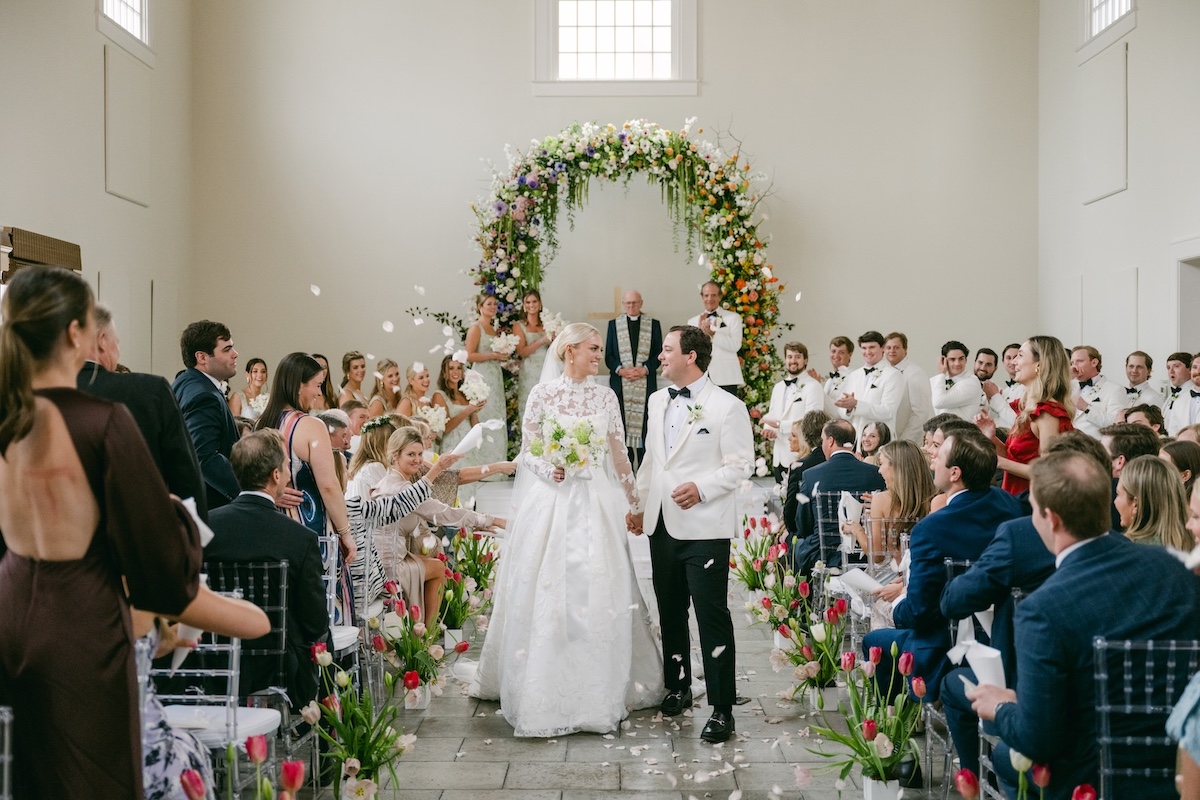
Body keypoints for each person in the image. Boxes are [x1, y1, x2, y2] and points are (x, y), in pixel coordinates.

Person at [0, 266, 205, 799]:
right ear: (77, 334)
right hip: (81, 622)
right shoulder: (101, 421)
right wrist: (179, 521)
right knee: (96, 776)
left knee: (27, 776)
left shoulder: (9, 416)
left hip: (11, 609)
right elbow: (161, 557)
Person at [969, 450, 1200, 799]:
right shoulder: (1176, 571)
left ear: (1051, 518)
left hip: (1091, 782)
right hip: (1181, 769)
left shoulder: (1041, 610)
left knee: (1010, 754)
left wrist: (1000, 706)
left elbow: (1038, 738)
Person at [472, 322, 665, 737]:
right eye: (593, 348)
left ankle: (600, 685)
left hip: (596, 500)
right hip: (554, 502)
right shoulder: (543, 394)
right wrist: (550, 468)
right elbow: (527, 453)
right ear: (569, 351)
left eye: (599, 348)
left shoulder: (605, 395)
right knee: (548, 589)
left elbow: (619, 457)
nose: (600, 355)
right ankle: (543, 684)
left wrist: (635, 506)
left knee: (601, 586)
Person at [939, 431, 1108, 776]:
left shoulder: (1020, 535)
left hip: (1025, 692)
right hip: (1113, 711)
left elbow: (955, 600)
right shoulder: (1132, 546)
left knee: (952, 683)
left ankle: (974, 777)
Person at [625, 324, 752, 744]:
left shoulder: (727, 406)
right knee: (671, 610)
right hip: (662, 524)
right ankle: (678, 686)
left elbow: (740, 466)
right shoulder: (659, 400)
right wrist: (640, 506)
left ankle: (721, 709)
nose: (660, 357)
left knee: (711, 615)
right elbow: (652, 463)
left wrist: (701, 488)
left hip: (705, 527)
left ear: (690, 356)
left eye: (666, 350)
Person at [863, 429, 1022, 705]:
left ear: (955, 473)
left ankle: (895, 724)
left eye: (939, 456)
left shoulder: (932, 528)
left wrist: (899, 603)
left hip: (946, 644)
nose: (932, 460)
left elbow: (920, 612)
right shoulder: (1012, 507)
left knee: (874, 639)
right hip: (1009, 637)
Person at [205, 430, 331, 706]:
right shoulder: (299, 538)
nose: (289, 471)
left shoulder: (204, 527)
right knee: (323, 638)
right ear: (276, 475)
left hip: (214, 662)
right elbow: (315, 621)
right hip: (280, 667)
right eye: (287, 465)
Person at [77, 304, 207, 520]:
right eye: (116, 343)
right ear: (102, 341)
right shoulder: (149, 391)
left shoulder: (37, 395)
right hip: (137, 535)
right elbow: (185, 477)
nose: (117, 353)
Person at [255, 353, 357, 622]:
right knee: (320, 606)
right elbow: (328, 485)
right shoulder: (310, 425)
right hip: (310, 530)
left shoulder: (262, 423)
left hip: (271, 530)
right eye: (316, 384)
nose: (319, 393)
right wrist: (346, 533)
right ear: (298, 384)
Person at [373, 427, 494, 626]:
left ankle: (423, 630)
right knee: (438, 568)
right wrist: (488, 520)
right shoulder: (400, 487)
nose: (417, 460)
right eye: (411, 454)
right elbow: (443, 513)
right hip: (390, 566)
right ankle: (427, 635)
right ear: (395, 455)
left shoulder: (390, 481)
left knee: (435, 559)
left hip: (388, 558)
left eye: (420, 454)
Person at [976, 336, 1074, 495]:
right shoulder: (1025, 407)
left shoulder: (1047, 413)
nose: (1013, 362)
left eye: (1020, 355)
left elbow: (1048, 471)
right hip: (1014, 496)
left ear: (1039, 365)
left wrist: (1000, 463)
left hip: (1032, 501)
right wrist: (992, 438)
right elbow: (1016, 457)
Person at [791, 419, 887, 573]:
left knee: (797, 544)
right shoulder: (875, 473)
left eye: (822, 440)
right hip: (862, 554)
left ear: (830, 441)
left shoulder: (811, 475)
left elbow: (803, 524)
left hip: (822, 556)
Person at [173, 320, 242, 510]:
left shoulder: (185, 381)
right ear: (202, 357)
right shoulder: (204, 396)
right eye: (227, 349)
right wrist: (247, 491)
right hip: (210, 506)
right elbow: (204, 456)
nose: (235, 354)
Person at [605, 289, 662, 469]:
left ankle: (645, 471)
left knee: (646, 428)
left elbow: (658, 354)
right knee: (622, 428)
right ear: (623, 304)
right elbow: (609, 356)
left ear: (641, 303)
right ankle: (626, 472)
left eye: (635, 303)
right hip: (621, 387)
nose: (631, 306)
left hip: (645, 386)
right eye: (628, 303)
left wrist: (644, 370)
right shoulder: (614, 325)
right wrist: (621, 371)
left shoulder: (653, 324)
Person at [762, 341, 824, 481]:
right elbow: (773, 413)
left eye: (797, 357)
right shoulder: (778, 387)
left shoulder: (813, 386)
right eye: (789, 357)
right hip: (779, 454)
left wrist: (779, 425)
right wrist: (768, 428)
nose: (793, 361)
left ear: (805, 360)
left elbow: (812, 422)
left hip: (801, 454)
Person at [1114, 454, 1194, 550]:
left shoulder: (1125, 552)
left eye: (1118, 494)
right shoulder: (1191, 543)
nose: (1114, 501)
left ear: (1136, 504)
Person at [834, 330, 904, 441]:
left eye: (872, 347)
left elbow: (888, 411)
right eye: (864, 348)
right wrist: (848, 408)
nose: (867, 352)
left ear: (882, 348)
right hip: (856, 439)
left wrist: (856, 404)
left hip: (881, 439)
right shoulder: (854, 375)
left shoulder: (893, 375)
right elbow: (842, 410)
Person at [464, 294, 509, 465]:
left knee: (496, 414)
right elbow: (469, 355)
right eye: (488, 304)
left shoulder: (494, 328)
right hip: (481, 377)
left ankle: (496, 463)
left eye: (495, 304)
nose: (492, 307)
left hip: (495, 376)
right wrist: (493, 355)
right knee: (484, 415)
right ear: (480, 307)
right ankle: (481, 464)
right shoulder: (476, 328)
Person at [782, 410, 831, 539]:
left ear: (804, 435)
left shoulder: (800, 467)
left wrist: (796, 533)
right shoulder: (835, 460)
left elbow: (790, 512)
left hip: (808, 538)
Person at [687, 282, 744, 393]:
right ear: (702, 297)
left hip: (726, 377)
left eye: (713, 295)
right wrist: (700, 333)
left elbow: (736, 345)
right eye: (706, 295)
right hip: (701, 376)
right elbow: (690, 350)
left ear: (720, 296)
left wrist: (714, 334)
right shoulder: (692, 321)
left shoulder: (733, 318)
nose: (710, 299)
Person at [432, 355, 487, 456]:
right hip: (453, 446)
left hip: (469, 445)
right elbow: (446, 428)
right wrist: (468, 410)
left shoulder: (466, 394)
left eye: (458, 368)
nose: (455, 372)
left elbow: (475, 426)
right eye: (451, 368)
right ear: (444, 373)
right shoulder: (439, 395)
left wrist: (475, 409)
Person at [884, 331, 933, 444]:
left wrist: (903, 441)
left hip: (906, 442)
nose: (892, 351)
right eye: (888, 347)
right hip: (886, 440)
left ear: (905, 349)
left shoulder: (915, 373)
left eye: (896, 347)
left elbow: (920, 413)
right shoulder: (884, 372)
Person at [1069, 345, 1125, 438]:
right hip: (1069, 444)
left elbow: (1116, 424)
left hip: (1096, 446)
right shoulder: (1069, 387)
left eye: (1080, 361)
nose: (1075, 366)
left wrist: (1087, 408)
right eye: (1072, 363)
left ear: (1094, 362)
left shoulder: (1114, 389)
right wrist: (1067, 377)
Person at [514, 289, 553, 420]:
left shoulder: (548, 323)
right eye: (528, 302)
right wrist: (542, 340)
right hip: (530, 370)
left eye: (534, 301)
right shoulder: (519, 326)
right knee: (531, 405)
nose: (531, 305)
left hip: (548, 367)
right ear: (524, 306)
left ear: (540, 303)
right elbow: (522, 352)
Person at [931, 340, 984, 421]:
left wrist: (941, 373)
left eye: (961, 359)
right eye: (952, 359)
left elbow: (938, 402)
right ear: (944, 361)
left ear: (966, 360)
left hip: (963, 432)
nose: (957, 363)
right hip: (941, 431)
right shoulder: (939, 380)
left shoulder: (972, 382)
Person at [983, 343, 1024, 429]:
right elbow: (995, 418)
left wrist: (996, 397)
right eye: (1008, 358)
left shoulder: (1027, 389)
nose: (1012, 362)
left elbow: (1019, 423)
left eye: (1016, 357)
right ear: (1003, 362)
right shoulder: (1005, 391)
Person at [1163, 351, 1194, 426]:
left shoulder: (1193, 394)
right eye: (1168, 367)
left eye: (1176, 366)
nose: (1171, 371)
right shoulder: (1172, 394)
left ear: (1190, 369)